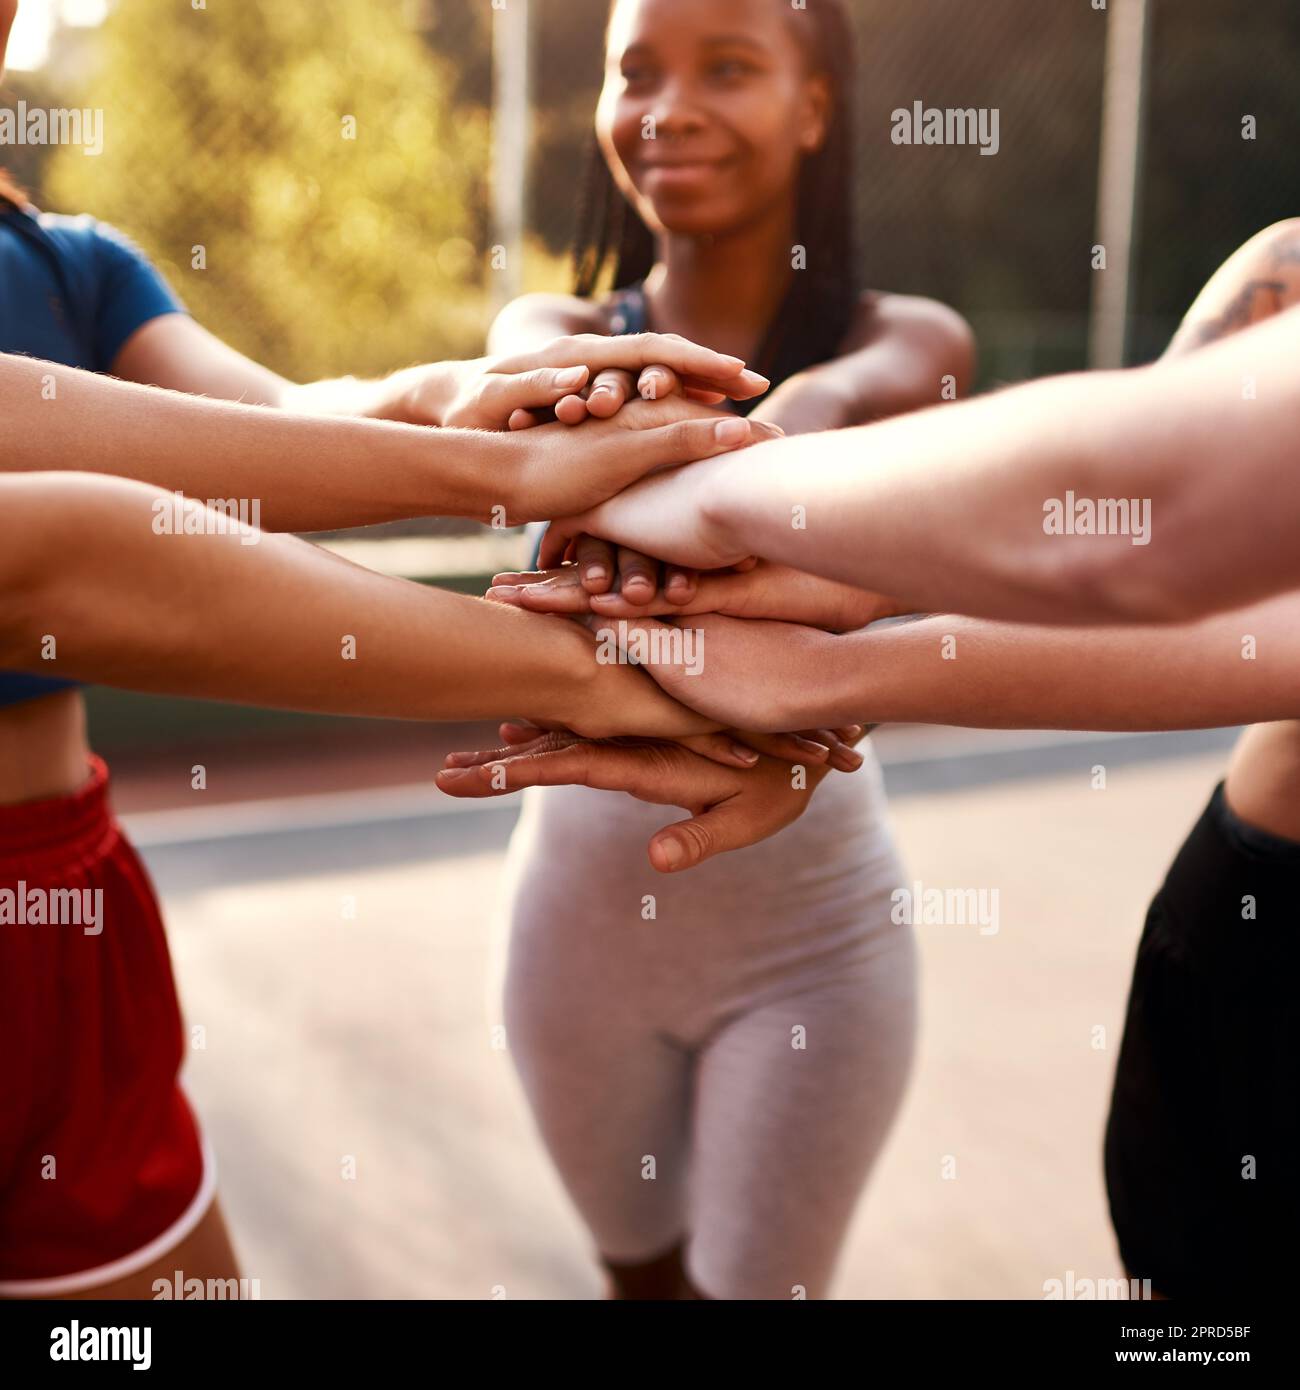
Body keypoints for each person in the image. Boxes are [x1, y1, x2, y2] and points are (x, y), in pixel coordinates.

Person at [0, 0, 782, 1299]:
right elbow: (60, 549)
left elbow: (281, 421)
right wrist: (600, 662)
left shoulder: (71, 266)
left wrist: (445, 398)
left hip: (71, 916)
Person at [472, 220, 1300, 1299]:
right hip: (1259, 941)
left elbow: (1150, 519)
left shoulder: (893, 337)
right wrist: (850, 621)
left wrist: (779, 579)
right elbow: (1187, 558)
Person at [480, 0, 973, 1300]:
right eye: (635, 71)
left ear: (815, 107)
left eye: (729, 68)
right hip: (578, 942)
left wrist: (770, 429)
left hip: (812, 944)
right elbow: (536, 390)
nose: (670, 108)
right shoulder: (549, 334)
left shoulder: (900, 344)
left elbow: (841, 405)